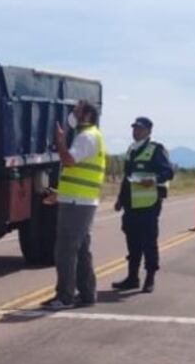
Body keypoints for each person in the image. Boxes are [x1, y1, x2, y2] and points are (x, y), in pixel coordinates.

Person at [41, 99, 106, 311]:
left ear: (86, 115)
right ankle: (87, 293)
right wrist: (61, 194)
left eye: (77, 110)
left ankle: (65, 296)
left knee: (66, 249)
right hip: (79, 200)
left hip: (78, 204)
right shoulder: (90, 136)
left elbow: (69, 160)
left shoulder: (86, 137)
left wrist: (60, 141)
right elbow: (78, 174)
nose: (73, 113)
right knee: (82, 249)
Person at [112, 116, 174, 293]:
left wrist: (153, 180)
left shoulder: (155, 149)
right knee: (132, 241)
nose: (135, 131)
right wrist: (120, 199)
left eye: (139, 129)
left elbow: (168, 172)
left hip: (149, 203)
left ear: (148, 131)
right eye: (134, 128)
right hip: (131, 203)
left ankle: (150, 278)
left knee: (149, 241)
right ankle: (132, 277)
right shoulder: (131, 150)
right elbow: (127, 178)